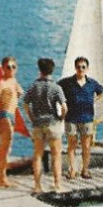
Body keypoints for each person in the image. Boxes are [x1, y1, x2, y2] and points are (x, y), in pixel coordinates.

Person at [22, 57, 68, 193]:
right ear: (52, 70)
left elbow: (25, 105)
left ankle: (37, 186)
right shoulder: (56, 87)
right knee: (56, 155)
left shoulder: (33, 86)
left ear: (39, 70)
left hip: (38, 124)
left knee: (37, 155)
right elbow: (64, 107)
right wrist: (61, 117)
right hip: (52, 123)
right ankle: (57, 185)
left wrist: (32, 118)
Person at [59, 57, 103, 180]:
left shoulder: (92, 83)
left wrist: (94, 100)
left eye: (83, 67)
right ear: (75, 68)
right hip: (71, 118)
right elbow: (56, 91)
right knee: (71, 145)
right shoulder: (67, 82)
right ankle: (72, 170)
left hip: (87, 118)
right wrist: (62, 104)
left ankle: (85, 169)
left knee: (86, 146)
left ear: (87, 68)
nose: (81, 69)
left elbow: (102, 92)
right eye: (78, 67)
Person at [0, 56, 23, 188]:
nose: (10, 69)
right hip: (3, 115)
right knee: (5, 148)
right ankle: (2, 177)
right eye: (8, 67)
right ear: (3, 68)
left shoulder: (14, 81)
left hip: (11, 115)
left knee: (5, 147)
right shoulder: (1, 83)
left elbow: (21, 93)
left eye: (13, 67)